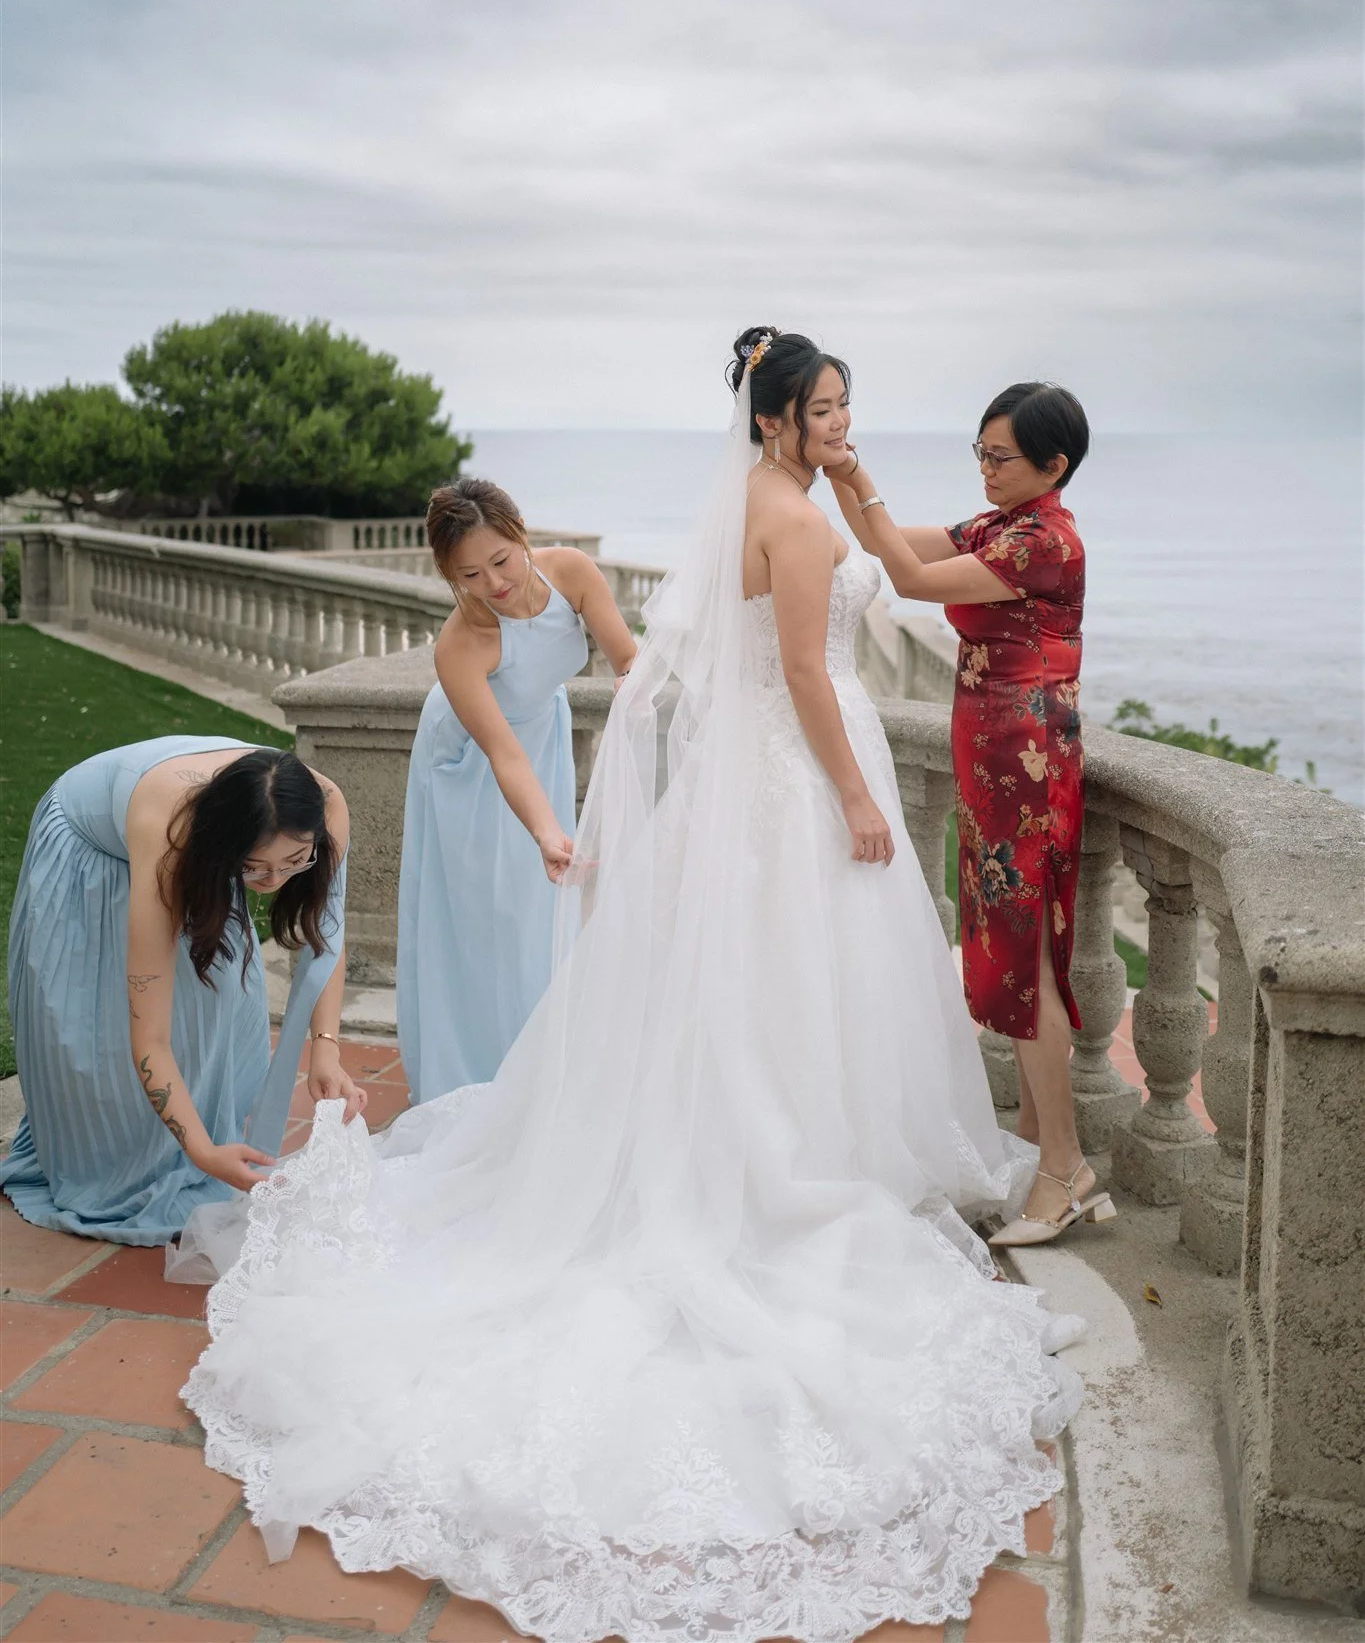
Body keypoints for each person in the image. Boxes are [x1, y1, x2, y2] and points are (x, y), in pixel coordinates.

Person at [184, 331, 1081, 1641]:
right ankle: (780, 1171)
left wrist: (855, 487)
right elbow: (797, 674)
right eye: (826, 408)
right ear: (776, 419)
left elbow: (690, 658)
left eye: (847, 407)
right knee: (797, 981)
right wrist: (846, 791)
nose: (842, 424)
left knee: (755, 989)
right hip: (802, 776)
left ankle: (777, 1146)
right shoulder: (802, 527)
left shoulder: (760, 508)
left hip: (753, 786)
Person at [829, 381, 1112, 1246]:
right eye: (979, 456)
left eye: (1001, 459)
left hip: (1025, 764)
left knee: (1023, 955)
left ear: (1052, 466)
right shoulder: (1001, 525)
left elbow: (909, 580)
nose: (986, 471)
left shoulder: (1044, 541)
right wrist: (839, 470)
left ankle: (1062, 1169)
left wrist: (850, 469)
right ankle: (1037, 1144)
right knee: (1011, 950)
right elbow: (884, 544)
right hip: (997, 760)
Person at [1, 740, 366, 1246]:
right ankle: (120, 1152)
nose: (274, 881)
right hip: (91, 844)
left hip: (201, 842)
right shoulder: (173, 833)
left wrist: (326, 1049)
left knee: (220, 1002)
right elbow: (149, 1036)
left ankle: (190, 1135)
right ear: (225, 847)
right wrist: (202, 1153)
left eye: (295, 861)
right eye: (255, 867)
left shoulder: (327, 807)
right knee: (108, 1023)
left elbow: (325, 934)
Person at [397, 477, 638, 1100]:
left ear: (519, 534)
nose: (494, 585)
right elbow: (501, 753)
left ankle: (540, 1070)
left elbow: (627, 659)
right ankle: (473, 1081)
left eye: (500, 561)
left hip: (543, 738)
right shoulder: (460, 644)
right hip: (468, 765)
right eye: (469, 576)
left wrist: (635, 691)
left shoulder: (574, 574)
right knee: (487, 914)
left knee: (537, 913)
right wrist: (547, 832)